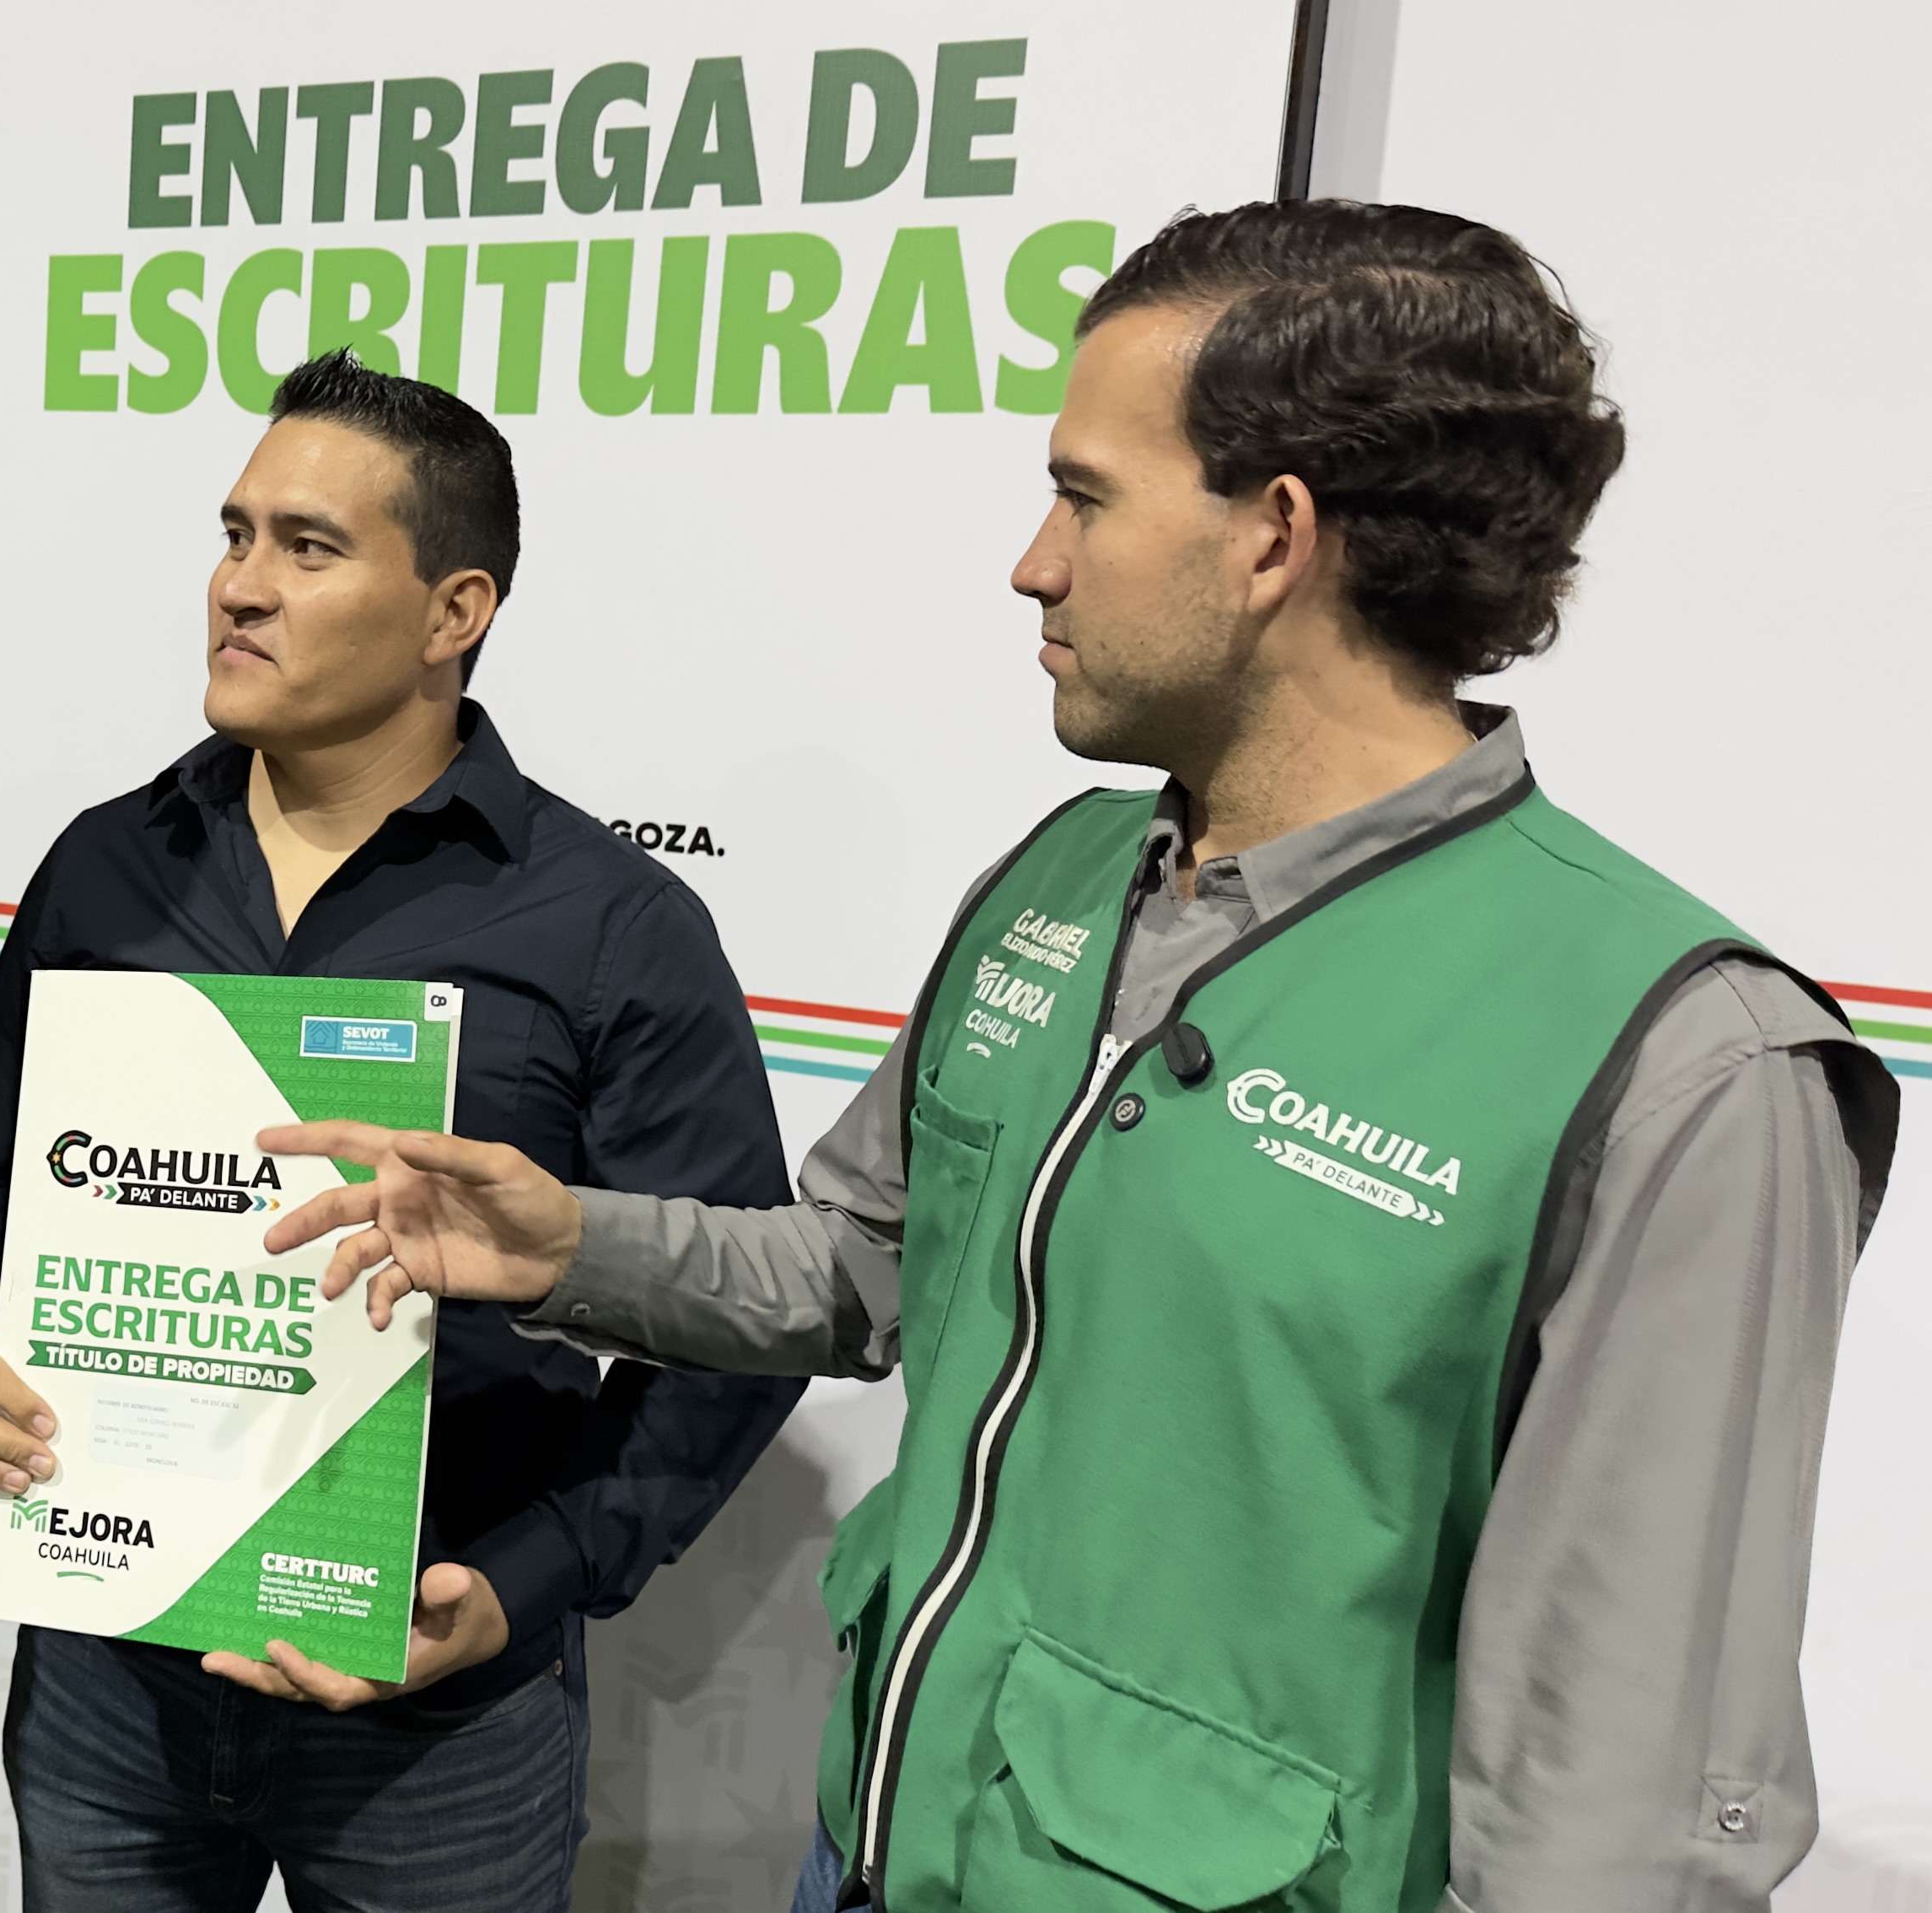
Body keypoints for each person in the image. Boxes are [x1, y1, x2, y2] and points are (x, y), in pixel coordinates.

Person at [259, 203, 1897, 1913]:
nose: (1033, 562)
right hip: (864, 1861)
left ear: (1274, 535)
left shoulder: (1687, 1062)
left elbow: (1620, 1800)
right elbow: (861, 1268)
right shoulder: (1059, 880)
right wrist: (566, 1247)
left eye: (1085, 497)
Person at [0, 350, 810, 1913]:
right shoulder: (104, 870)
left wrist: (528, 1579)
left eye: (308, 547)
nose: (240, 585)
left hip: (435, 1718)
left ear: (453, 611)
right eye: (235, 533)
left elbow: (740, 1318)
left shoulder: (611, 927)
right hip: (113, 1674)